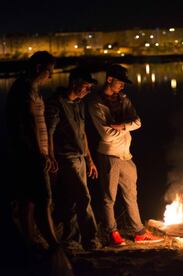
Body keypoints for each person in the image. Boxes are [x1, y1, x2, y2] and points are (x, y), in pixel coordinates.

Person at [88, 64, 163, 246]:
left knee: (131, 195)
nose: (123, 85)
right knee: (109, 197)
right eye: (120, 81)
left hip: (126, 155)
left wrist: (122, 126)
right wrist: (127, 125)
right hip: (108, 155)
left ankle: (138, 232)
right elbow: (106, 134)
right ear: (110, 79)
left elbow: (138, 122)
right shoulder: (96, 102)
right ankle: (112, 232)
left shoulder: (123, 98)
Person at [6, 51, 60, 251]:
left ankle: (31, 243)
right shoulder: (25, 88)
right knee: (43, 198)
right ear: (39, 68)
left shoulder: (33, 89)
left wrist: (49, 153)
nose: (51, 76)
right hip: (30, 153)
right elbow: (29, 122)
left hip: (35, 152)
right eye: (49, 71)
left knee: (28, 199)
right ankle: (53, 246)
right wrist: (40, 152)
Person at [46, 67, 101, 251]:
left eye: (90, 88)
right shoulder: (56, 104)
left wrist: (89, 160)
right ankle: (91, 239)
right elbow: (49, 133)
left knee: (71, 199)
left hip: (80, 158)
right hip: (65, 157)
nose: (88, 90)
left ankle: (71, 240)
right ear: (74, 83)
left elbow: (83, 134)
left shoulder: (79, 104)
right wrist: (51, 157)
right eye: (85, 86)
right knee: (83, 196)